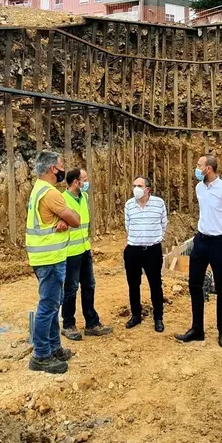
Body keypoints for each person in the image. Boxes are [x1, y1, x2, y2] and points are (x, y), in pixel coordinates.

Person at [176, 155, 222, 349]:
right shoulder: (199, 188)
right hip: (201, 240)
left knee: (221, 288)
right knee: (194, 284)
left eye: (199, 166)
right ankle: (197, 329)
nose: (196, 168)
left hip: (219, 243)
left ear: (209, 169)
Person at [25, 150, 81, 374]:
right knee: (48, 307)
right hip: (49, 259)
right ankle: (41, 355)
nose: (62, 169)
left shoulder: (38, 189)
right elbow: (75, 220)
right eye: (61, 166)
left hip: (44, 257)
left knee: (53, 304)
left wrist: (59, 219)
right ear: (52, 169)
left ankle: (54, 347)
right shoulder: (50, 193)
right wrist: (64, 218)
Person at [61, 168, 112, 341]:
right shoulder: (62, 200)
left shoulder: (85, 197)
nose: (87, 182)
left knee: (89, 285)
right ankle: (68, 324)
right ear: (76, 182)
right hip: (70, 252)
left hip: (84, 249)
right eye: (85, 179)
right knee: (71, 289)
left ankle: (92, 323)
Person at [123, 176, 168, 332]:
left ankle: (158, 318)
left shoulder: (159, 204)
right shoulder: (129, 205)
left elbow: (164, 224)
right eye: (134, 185)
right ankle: (136, 315)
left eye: (139, 185)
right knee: (133, 284)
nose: (136, 188)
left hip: (152, 250)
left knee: (155, 285)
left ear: (148, 189)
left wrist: (156, 238)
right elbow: (127, 226)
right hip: (133, 250)